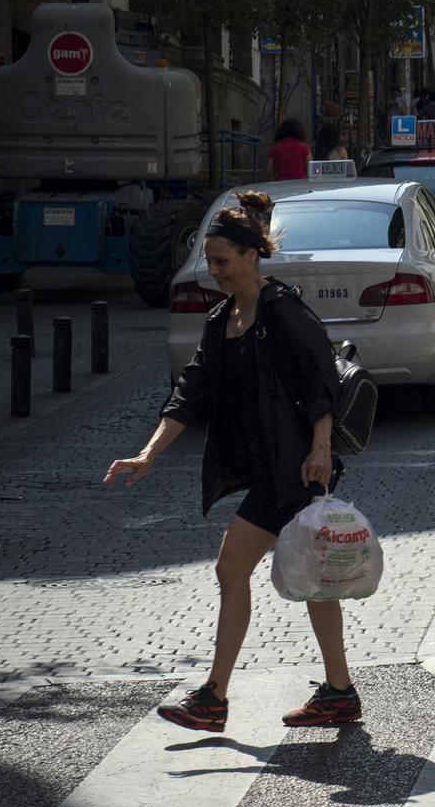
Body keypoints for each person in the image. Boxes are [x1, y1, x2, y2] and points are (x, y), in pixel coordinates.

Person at [107, 192, 357, 732]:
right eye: (210, 260)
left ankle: (217, 696)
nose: (214, 270)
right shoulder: (222, 320)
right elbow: (189, 394)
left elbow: (322, 380)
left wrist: (319, 448)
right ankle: (338, 691)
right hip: (271, 465)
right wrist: (148, 454)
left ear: (250, 255)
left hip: (295, 466)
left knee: (236, 568)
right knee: (313, 579)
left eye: (221, 260)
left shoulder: (282, 310)